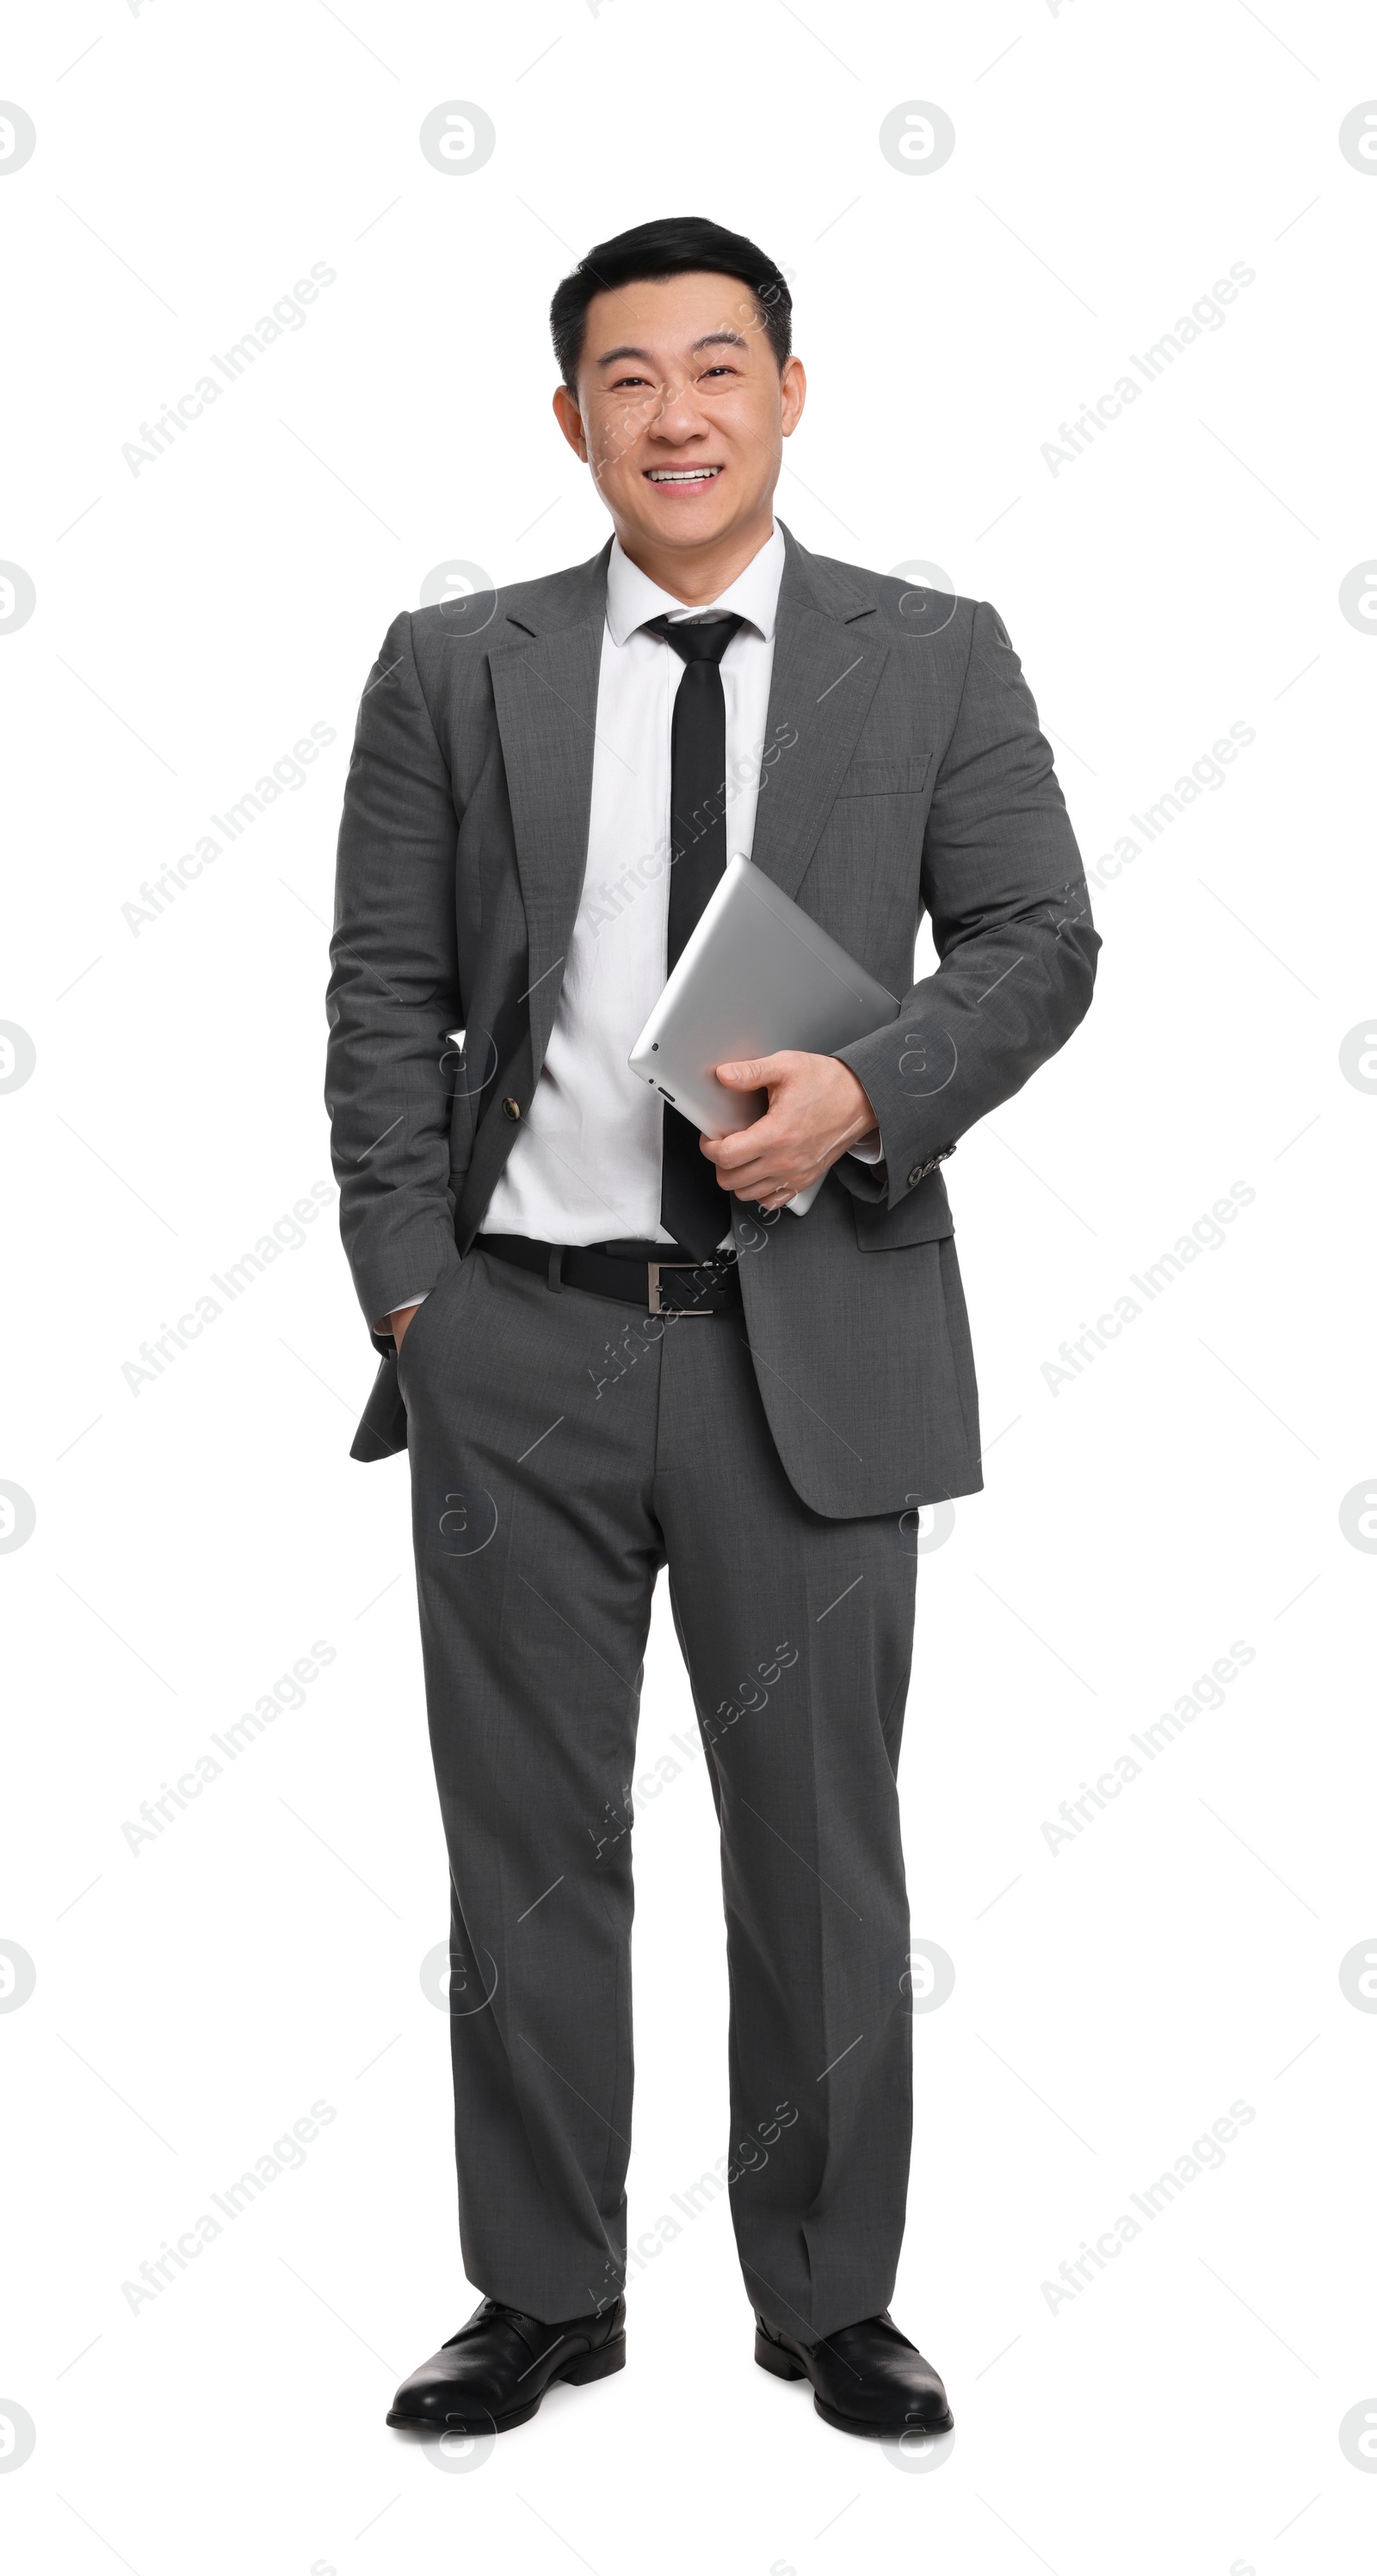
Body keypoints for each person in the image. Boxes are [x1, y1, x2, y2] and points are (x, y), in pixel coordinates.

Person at [325, 214, 1099, 2443]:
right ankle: (545, 2291)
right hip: (522, 1351)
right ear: (571, 416)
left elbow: (1040, 939)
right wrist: (411, 1290)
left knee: (820, 1848)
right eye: (627, 379)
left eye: (717, 367)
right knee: (529, 1856)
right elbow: (387, 990)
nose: (675, 414)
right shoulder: (451, 663)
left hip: (813, 1341)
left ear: (787, 390)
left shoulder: (928, 655)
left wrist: (873, 1088)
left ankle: (831, 2296)